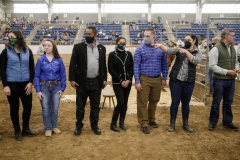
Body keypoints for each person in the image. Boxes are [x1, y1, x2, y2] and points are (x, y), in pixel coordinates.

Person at [154, 33, 202, 133]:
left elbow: (195, 61)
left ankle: (185, 124)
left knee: (186, 103)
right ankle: (172, 124)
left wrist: (186, 52)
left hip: (189, 81)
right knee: (175, 102)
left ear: (194, 41)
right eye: (185, 39)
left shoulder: (198, 52)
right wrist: (160, 46)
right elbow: (169, 50)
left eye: (188, 40)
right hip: (176, 81)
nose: (186, 41)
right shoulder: (179, 49)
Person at [69, 26, 107, 136]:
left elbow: (103, 65)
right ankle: (78, 126)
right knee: (80, 106)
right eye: (86, 33)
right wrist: (72, 79)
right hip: (82, 82)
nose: (87, 36)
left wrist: (104, 79)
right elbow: (72, 64)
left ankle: (94, 125)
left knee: (95, 106)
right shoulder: (78, 47)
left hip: (96, 81)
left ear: (95, 35)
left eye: (89, 34)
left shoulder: (101, 48)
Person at [0, 30, 36, 141]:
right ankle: (17, 130)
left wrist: (30, 82)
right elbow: (1, 69)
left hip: (26, 83)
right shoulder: (6, 52)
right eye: (8, 37)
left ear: (18, 37)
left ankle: (26, 128)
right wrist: (5, 85)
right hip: (12, 83)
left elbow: (31, 68)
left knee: (28, 105)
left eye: (12, 36)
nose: (10, 38)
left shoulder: (28, 51)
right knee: (14, 107)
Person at [134, 28, 168, 134]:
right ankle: (143, 123)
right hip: (144, 78)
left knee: (154, 100)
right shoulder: (140, 49)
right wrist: (137, 81)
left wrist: (164, 77)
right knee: (142, 101)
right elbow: (136, 66)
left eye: (148, 36)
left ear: (153, 37)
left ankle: (151, 119)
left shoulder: (160, 49)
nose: (145, 38)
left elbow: (164, 65)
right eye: (144, 36)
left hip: (157, 78)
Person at [208, 28, 239, 131]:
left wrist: (237, 67)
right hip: (220, 79)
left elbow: (236, 62)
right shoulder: (216, 49)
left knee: (228, 101)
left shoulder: (233, 48)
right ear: (226, 36)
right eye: (232, 35)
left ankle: (227, 122)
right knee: (216, 101)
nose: (234, 37)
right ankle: (213, 121)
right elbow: (212, 66)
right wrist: (227, 72)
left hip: (231, 79)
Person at [34, 39, 66, 137]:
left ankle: (54, 126)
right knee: (45, 108)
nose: (46, 47)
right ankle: (48, 127)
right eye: (45, 45)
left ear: (53, 47)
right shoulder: (40, 60)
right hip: (44, 86)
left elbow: (63, 75)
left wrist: (62, 88)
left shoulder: (59, 60)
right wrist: (38, 90)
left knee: (55, 107)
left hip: (56, 86)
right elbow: (36, 76)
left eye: (49, 45)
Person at [108, 37, 133, 132]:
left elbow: (131, 68)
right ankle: (113, 123)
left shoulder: (129, 54)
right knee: (121, 102)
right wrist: (121, 80)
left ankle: (122, 122)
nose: (122, 44)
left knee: (125, 103)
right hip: (117, 82)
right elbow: (111, 69)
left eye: (124, 43)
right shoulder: (112, 55)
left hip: (128, 82)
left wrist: (129, 79)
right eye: (120, 43)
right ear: (117, 43)